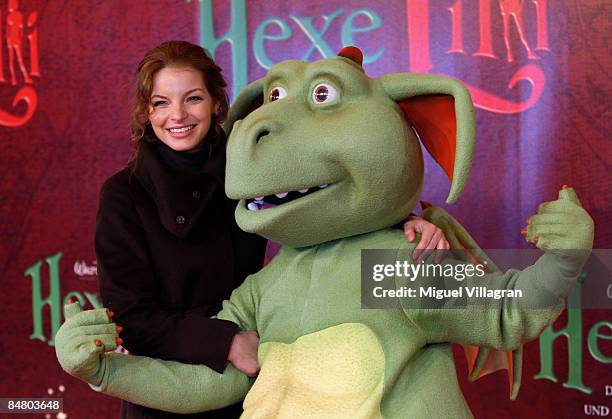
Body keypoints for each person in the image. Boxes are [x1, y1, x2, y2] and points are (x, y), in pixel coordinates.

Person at [94, 40, 449, 419]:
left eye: (192, 98)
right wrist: (226, 341)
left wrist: (400, 221)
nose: (177, 115)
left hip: (258, 383)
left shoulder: (253, 166)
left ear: (217, 102)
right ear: (146, 112)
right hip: (170, 386)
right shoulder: (123, 194)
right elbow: (130, 318)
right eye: (160, 103)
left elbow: (327, 202)